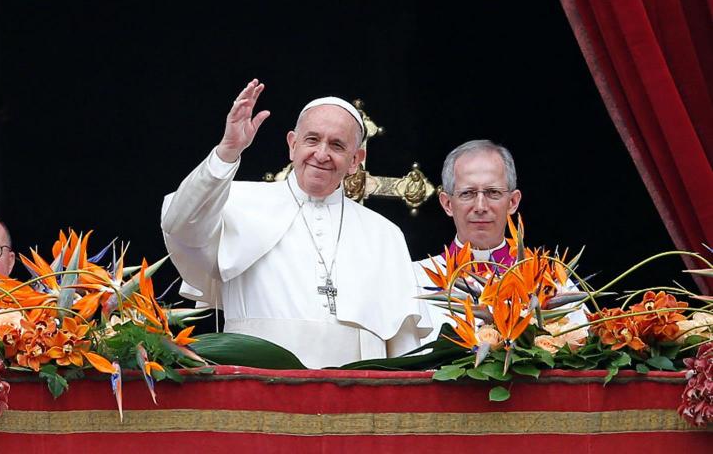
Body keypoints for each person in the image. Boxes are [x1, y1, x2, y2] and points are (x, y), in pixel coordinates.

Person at [161, 79, 431, 368]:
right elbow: (179, 224)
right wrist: (227, 151)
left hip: (357, 404)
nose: (322, 154)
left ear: (356, 160)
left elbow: (404, 347)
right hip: (258, 392)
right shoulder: (237, 203)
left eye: (337, 145)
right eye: (312, 140)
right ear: (292, 144)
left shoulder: (385, 235)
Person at [414, 140, 587, 341]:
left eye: (493, 193)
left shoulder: (552, 283)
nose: (480, 206)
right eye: (467, 193)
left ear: (513, 202)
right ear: (447, 204)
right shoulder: (415, 280)